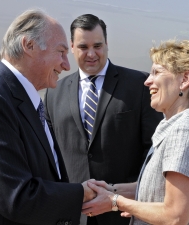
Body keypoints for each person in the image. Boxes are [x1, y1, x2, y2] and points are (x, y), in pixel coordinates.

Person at [0, 9, 95, 225]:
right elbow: (16, 197)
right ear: (28, 46)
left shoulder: (17, 98)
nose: (67, 65)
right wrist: (81, 193)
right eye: (60, 52)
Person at [82, 39, 189, 225]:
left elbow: (174, 216)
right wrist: (112, 190)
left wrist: (115, 202)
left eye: (157, 72)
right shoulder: (188, 126)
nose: (147, 81)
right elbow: (157, 189)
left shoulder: (186, 131)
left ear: (185, 80)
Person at [44, 14, 163, 225]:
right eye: (83, 47)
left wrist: (136, 196)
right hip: (72, 213)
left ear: (107, 44)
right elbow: (50, 154)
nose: (91, 54)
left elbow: (154, 151)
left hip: (122, 212)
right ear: (71, 47)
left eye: (97, 45)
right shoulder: (54, 93)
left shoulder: (138, 86)